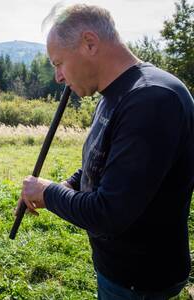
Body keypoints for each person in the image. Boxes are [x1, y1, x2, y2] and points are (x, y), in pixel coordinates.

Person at [17, 3, 194, 299]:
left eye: (58, 63)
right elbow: (100, 161)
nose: (58, 77)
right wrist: (68, 186)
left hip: (140, 279)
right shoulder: (115, 93)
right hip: (119, 270)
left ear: (89, 43)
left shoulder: (151, 100)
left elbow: (109, 214)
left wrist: (47, 192)